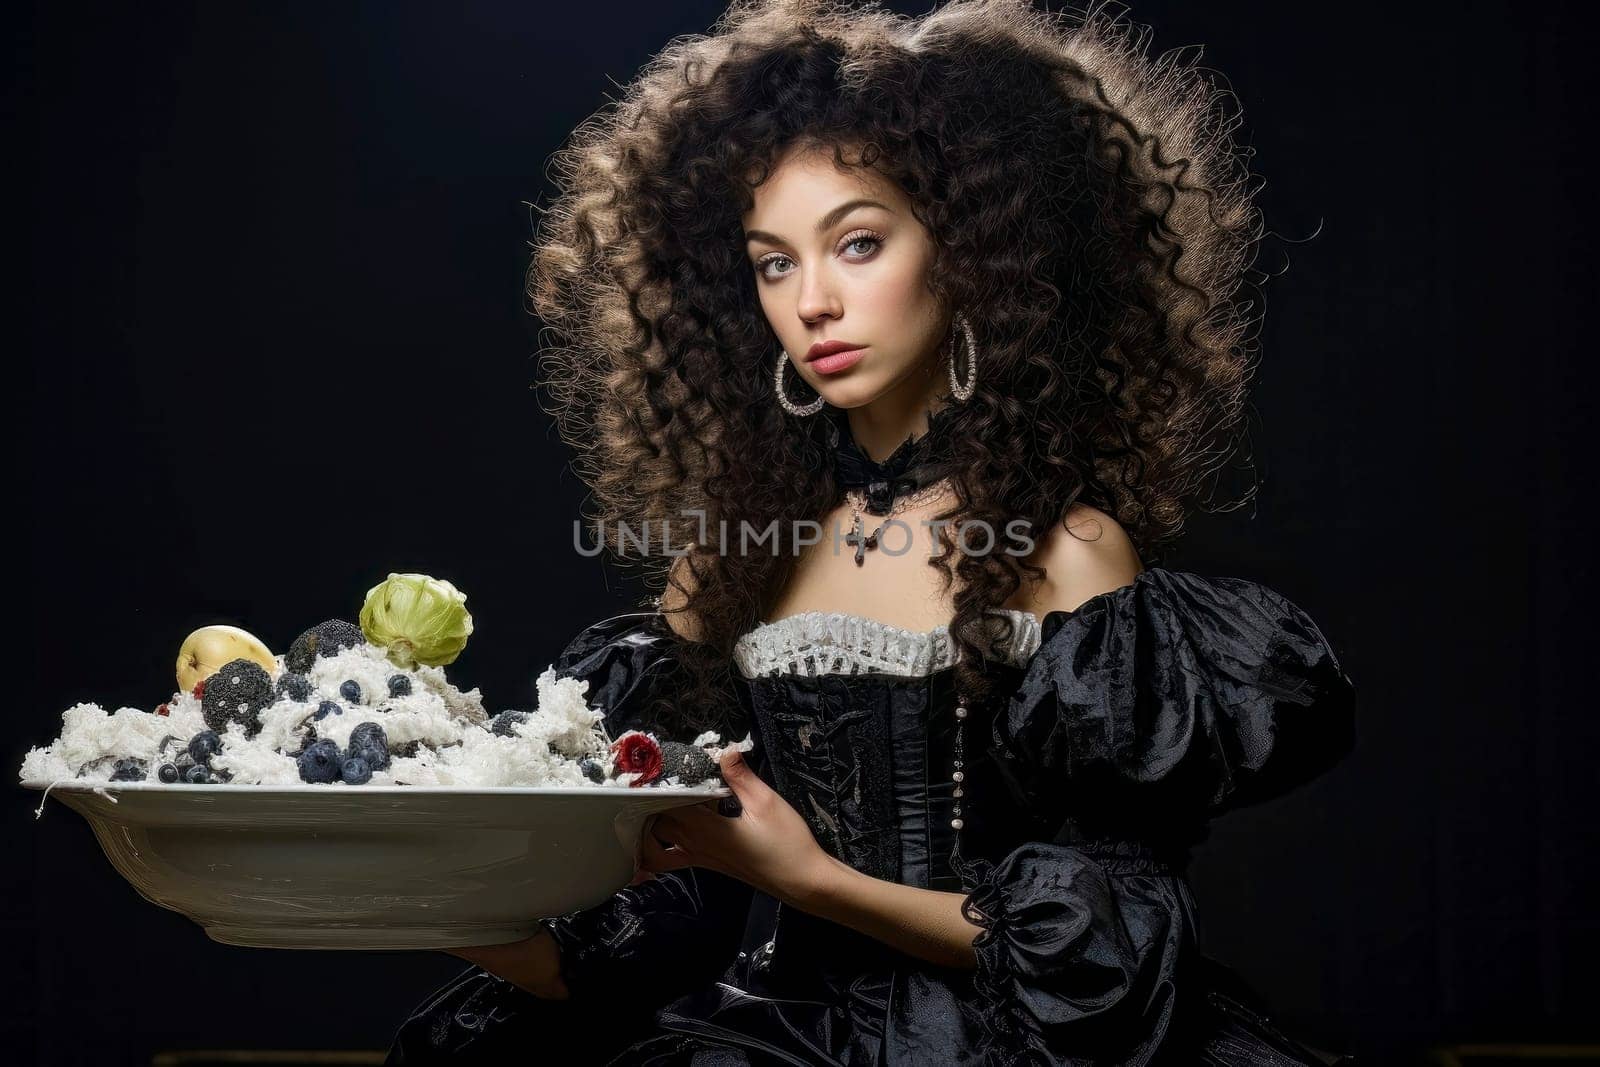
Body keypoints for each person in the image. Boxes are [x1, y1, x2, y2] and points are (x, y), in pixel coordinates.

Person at [387, 0, 1359, 1062]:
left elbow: (1104, 960)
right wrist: (434, 898)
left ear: (970, 254)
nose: (812, 301)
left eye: (857, 243)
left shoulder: (1068, 550)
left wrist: (807, 880)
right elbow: (643, 945)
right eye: (771, 261)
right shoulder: (726, 562)